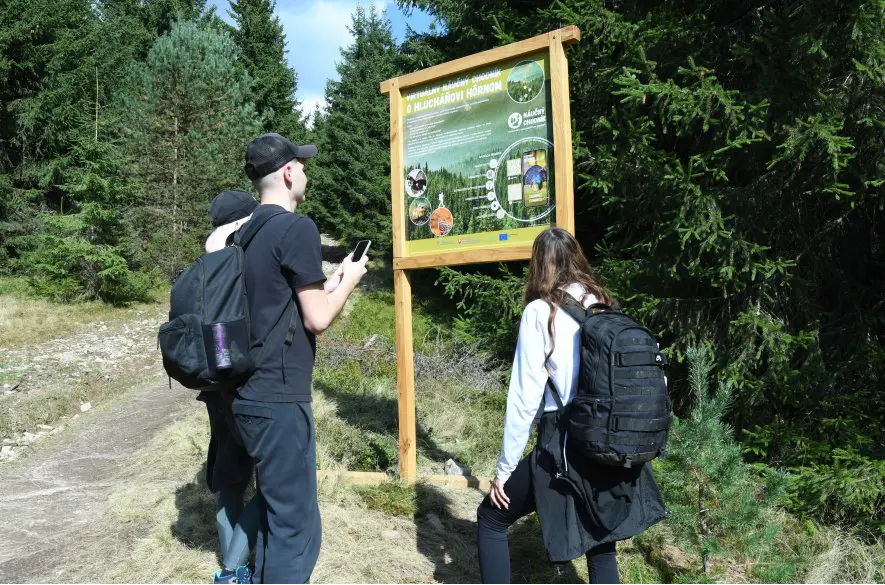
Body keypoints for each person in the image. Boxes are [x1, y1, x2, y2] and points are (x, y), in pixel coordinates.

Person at [477, 227, 666, 584]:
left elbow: (524, 399)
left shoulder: (540, 311)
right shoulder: (602, 301)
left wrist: (504, 469)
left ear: (538, 265)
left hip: (565, 443)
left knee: (492, 517)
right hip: (609, 437)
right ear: (576, 258)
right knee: (601, 538)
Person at [231, 133, 368, 584]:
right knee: (297, 531)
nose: (306, 172)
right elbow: (317, 319)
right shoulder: (297, 228)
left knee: (273, 521)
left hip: (246, 397)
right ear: (288, 172)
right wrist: (350, 279)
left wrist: (332, 281)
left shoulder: (244, 234)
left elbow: (281, 304)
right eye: (302, 166)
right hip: (281, 402)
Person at [200, 189, 262, 584]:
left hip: (215, 392)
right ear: (243, 223)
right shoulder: (243, 263)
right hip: (252, 389)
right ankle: (231, 570)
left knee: (230, 481)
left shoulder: (205, 267)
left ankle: (232, 566)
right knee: (273, 482)